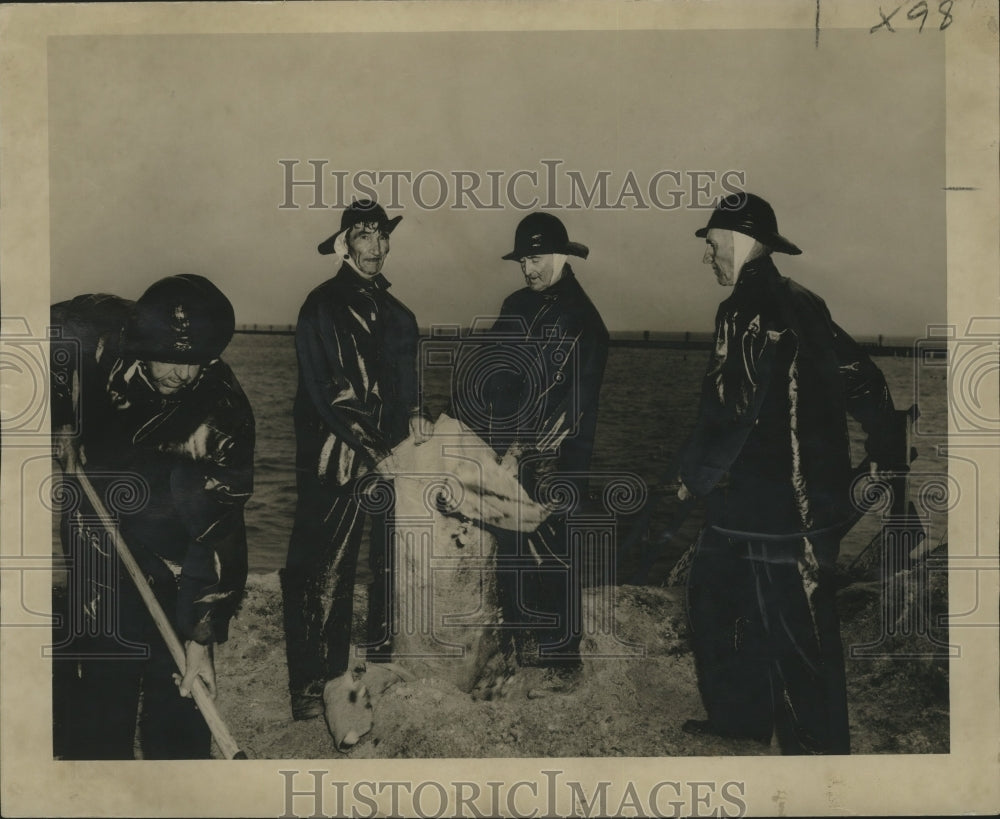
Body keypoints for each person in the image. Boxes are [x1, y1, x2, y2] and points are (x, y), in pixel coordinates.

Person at [677, 191, 898, 754]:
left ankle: (803, 750)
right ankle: (765, 727)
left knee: (745, 612)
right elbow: (861, 375)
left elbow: (733, 407)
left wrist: (693, 477)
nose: (709, 255)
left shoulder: (740, 310)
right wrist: (885, 441)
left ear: (744, 241)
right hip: (808, 499)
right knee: (753, 608)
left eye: (714, 243)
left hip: (767, 505)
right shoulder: (806, 301)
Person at [50, 274, 254, 760]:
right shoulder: (104, 338)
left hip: (176, 542)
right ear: (143, 342)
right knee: (102, 662)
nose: (184, 374)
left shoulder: (221, 416)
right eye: (173, 358)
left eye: (197, 362)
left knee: (181, 678)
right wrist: (62, 417)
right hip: (97, 519)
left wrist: (201, 635)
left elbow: (219, 530)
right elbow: (48, 332)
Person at [281, 198, 421, 748]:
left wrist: (410, 436)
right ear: (343, 243)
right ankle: (313, 683)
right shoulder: (323, 306)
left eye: (382, 235)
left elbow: (405, 389)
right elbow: (335, 391)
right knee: (323, 566)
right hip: (336, 456)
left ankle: (384, 662)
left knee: (391, 559)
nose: (377, 245)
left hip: (389, 457)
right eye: (364, 235)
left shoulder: (396, 312)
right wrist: (375, 451)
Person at [453, 211, 609, 691]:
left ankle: (560, 661)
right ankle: (520, 651)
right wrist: (456, 422)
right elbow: (488, 369)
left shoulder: (584, 321)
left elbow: (569, 408)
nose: (528, 269)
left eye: (536, 259)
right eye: (523, 261)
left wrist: (524, 451)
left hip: (555, 460)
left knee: (551, 552)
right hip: (509, 454)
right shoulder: (516, 304)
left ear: (561, 256)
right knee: (513, 552)